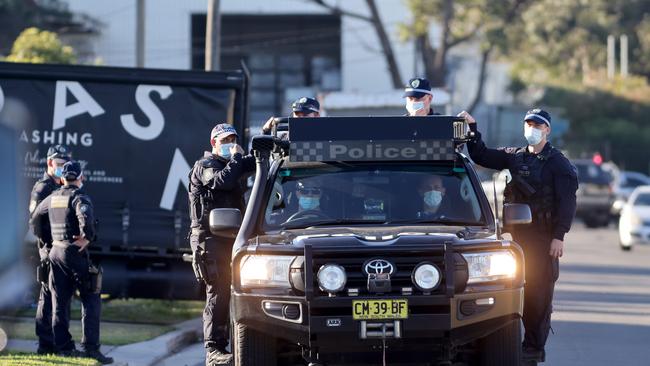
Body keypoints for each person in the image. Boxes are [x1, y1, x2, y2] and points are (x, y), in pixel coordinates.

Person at [460, 108, 578, 364]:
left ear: (547, 129)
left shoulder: (558, 163)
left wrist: (559, 236)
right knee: (512, 293)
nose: (532, 129)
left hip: (543, 239)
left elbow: (567, 202)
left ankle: (534, 349)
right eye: (528, 124)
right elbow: (481, 155)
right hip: (515, 239)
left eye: (537, 125)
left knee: (539, 296)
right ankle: (515, 345)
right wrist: (472, 128)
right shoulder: (515, 157)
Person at [30, 161, 113, 364]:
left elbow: (34, 220)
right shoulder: (80, 197)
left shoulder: (52, 197)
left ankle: (64, 348)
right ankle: (91, 348)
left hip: (55, 252)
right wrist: (86, 238)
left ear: (62, 178)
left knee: (59, 302)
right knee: (91, 297)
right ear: (81, 178)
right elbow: (86, 222)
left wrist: (46, 241)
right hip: (73, 252)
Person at [188, 123, 255, 365]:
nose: (229, 144)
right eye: (224, 140)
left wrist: (267, 143)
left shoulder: (233, 164)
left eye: (233, 139)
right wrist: (237, 157)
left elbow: (257, 163)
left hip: (233, 238)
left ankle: (240, 344)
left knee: (239, 292)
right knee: (218, 292)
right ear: (213, 143)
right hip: (210, 239)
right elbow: (221, 182)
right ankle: (213, 350)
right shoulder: (205, 166)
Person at [28, 144, 70, 355]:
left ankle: (53, 340)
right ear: (50, 163)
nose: (63, 167)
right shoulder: (42, 188)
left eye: (65, 164)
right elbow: (34, 222)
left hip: (59, 248)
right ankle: (45, 343)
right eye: (59, 164)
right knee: (47, 296)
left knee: (56, 296)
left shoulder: (61, 186)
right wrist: (46, 244)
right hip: (48, 249)